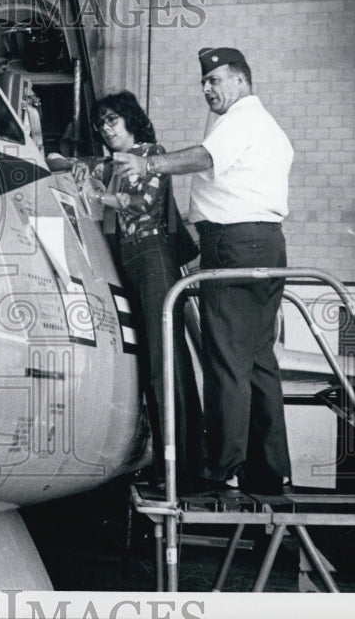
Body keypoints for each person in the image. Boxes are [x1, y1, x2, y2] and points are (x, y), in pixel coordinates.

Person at [117, 47, 293, 495]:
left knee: (226, 359)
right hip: (264, 243)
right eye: (204, 82)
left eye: (215, 80)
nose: (207, 89)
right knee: (256, 360)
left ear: (240, 81)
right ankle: (268, 470)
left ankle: (222, 466)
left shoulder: (243, 120)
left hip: (235, 245)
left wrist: (149, 163)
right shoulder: (264, 124)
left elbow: (205, 158)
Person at [73, 91, 206, 488]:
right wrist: (80, 168)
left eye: (113, 120)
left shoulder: (152, 154)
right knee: (151, 364)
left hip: (153, 257)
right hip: (131, 259)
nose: (106, 129)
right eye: (102, 124)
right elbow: (74, 164)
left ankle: (186, 467)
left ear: (131, 120)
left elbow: (140, 203)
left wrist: (98, 193)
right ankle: (169, 465)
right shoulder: (112, 165)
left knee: (167, 361)